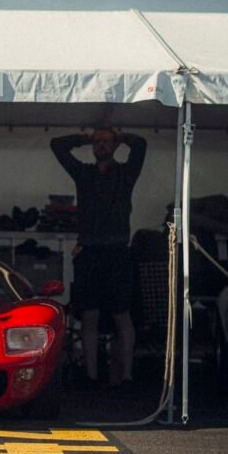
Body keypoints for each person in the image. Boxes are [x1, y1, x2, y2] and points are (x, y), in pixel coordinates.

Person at [50, 127, 147, 390]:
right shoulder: (84, 173)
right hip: (90, 251)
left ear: (115, 146)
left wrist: (121, 135)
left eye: (106, 142)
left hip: (116, 252)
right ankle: (91, 375)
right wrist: (83, 137)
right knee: (89, 314)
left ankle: (127, 376)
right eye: (97, 142)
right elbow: (57, 144)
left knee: (122, 314)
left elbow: (140, 145)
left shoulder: (126, 173)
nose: (101, 145)